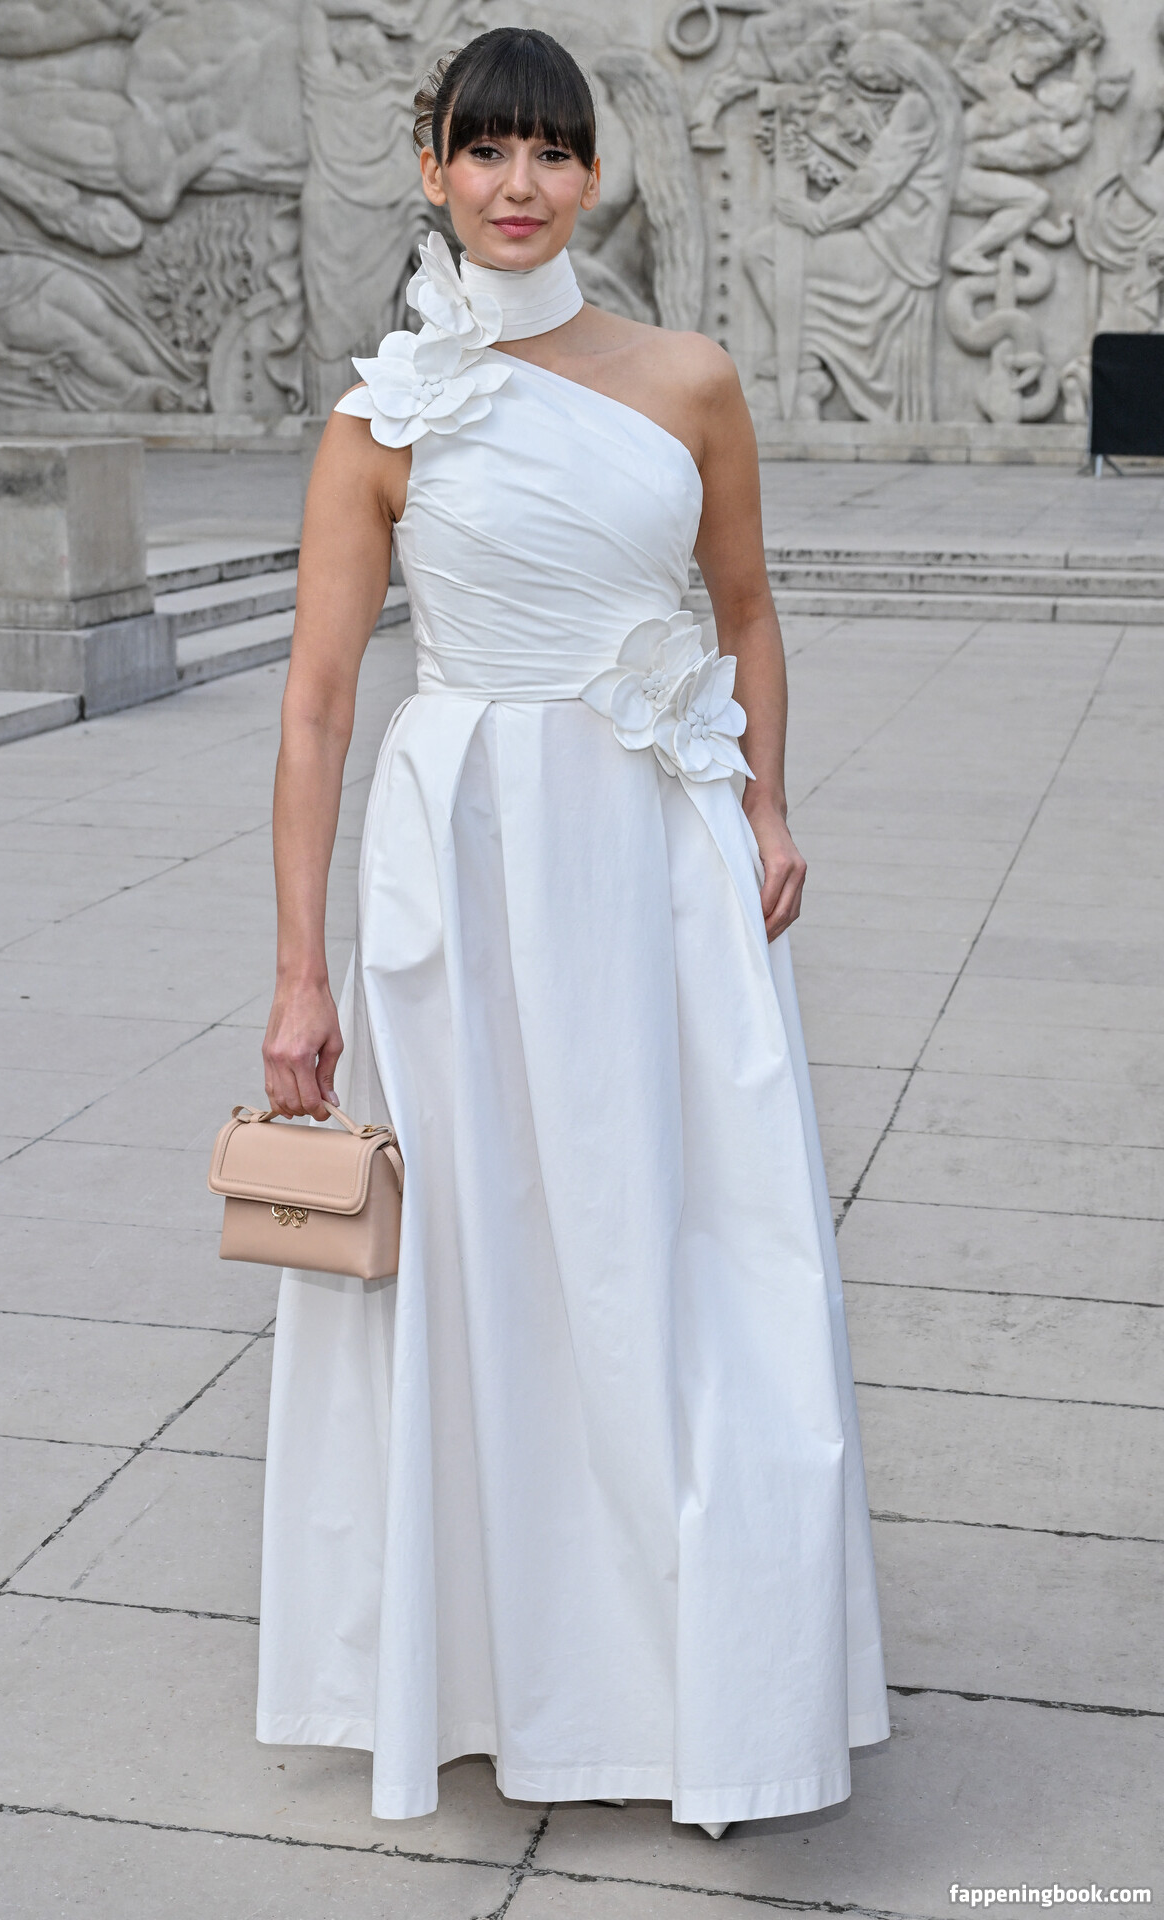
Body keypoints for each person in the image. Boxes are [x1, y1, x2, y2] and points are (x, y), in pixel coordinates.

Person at [258, 24, 889, 1835]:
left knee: (691, 1250)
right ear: (436, 172)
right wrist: (298, 973)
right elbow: (316, 702)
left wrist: (765, 804)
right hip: (461, 868)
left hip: (655, 859)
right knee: (483, 1260)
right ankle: (499, 1671)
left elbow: (746, 610)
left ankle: (707, 1681)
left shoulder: (690, 380)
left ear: (592, 174)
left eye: (549, 153)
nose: (518, 185)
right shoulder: (380, 419)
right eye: (485, 151)